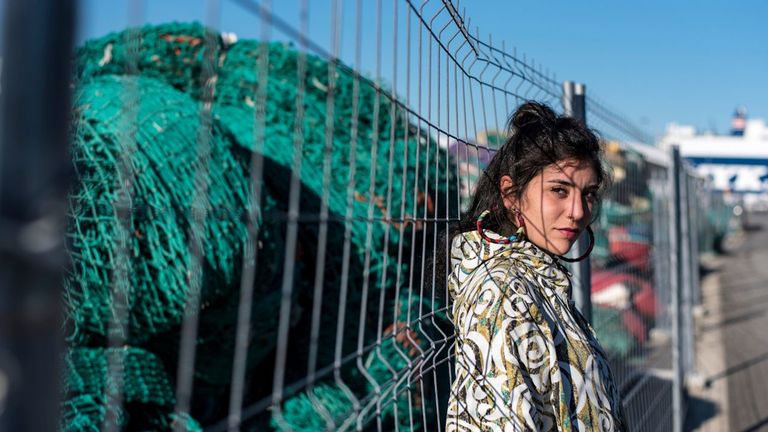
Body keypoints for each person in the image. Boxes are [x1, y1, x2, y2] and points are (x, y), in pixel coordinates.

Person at [444, 102, 627, 431]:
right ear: (511, 195)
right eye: (559, 190)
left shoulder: (538, 279)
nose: (578, 212)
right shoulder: (502, 291)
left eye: (588, 194)